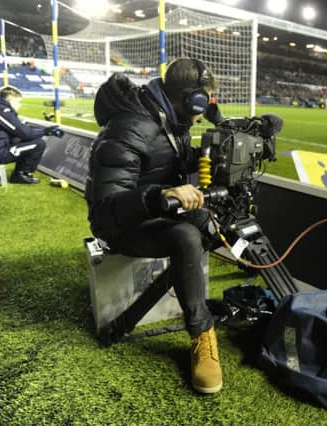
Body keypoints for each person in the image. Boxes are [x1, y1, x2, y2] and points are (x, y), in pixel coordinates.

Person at [85, 58, 223, 394]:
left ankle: (184, 289)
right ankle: (201, 334)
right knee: (187, 237)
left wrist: (221, 145)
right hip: (121, 223)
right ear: (189, 99)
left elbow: (165, 158)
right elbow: (105, 208)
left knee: (213, 224)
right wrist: (160, 195)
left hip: (153, 209)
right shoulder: (131, 126)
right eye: (202, 102)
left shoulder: (166, 118)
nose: (202, 112)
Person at [0, 86, 62, 184]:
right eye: (18, 102)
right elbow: (25, 133)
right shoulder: (2, 111)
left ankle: (20, 173)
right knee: (38, 144)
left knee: (21, 141)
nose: (20, 105)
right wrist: (45, 131)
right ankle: (20, 174)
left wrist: (42, 130)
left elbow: (20, 130)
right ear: (10, 100)